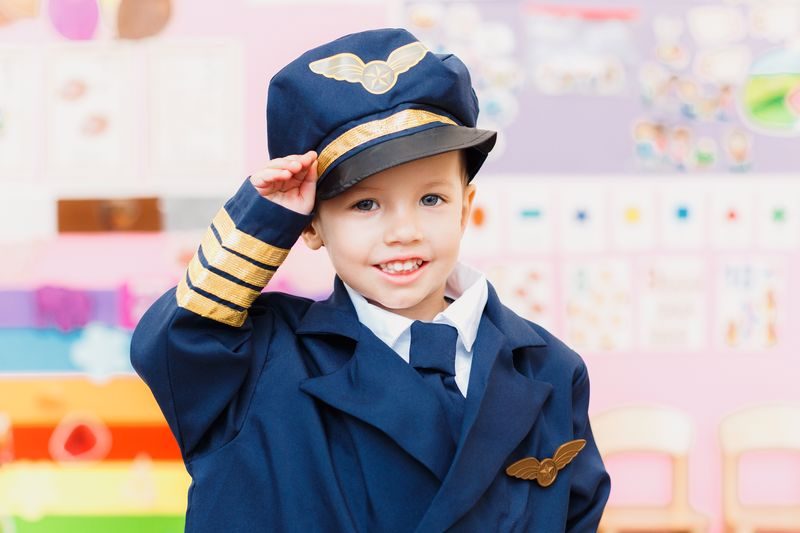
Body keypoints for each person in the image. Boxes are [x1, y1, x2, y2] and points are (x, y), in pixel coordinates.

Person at [130, 28, 610, 532]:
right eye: (365, 204)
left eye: (431, 199)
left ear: (465, 208)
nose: (403, 232)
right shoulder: (260, 358)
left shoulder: (551, 368)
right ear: (311, 227)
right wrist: (263, 220)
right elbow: (174, 346)